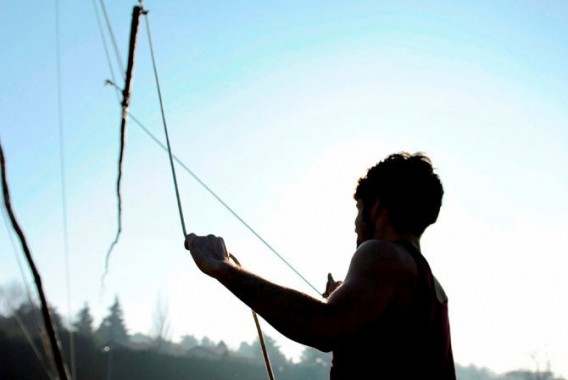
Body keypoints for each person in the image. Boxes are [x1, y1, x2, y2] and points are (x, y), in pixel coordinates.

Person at [185, 152, 456, 379]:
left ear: (376, 208)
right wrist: (343, 300)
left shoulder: (383, 254)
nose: (355, 226)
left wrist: (222, 268)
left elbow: (323, 326)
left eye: (358, 210)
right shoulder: (434, 290)